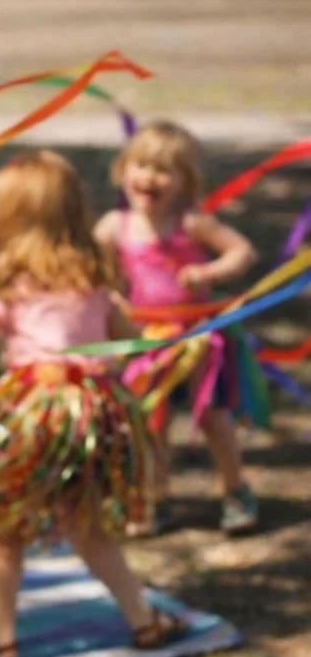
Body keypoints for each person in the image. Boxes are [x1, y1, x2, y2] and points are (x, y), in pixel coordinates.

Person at [0, 150, 188, 657]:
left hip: (35, 417)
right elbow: (129, 345)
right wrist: (165, 345)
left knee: (6, 532)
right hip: (91, 416)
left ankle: (3, 641)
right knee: (88, 528)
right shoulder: (94, 277)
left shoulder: (10, 281)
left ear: (9, 217)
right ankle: (144, 622)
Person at [95, 121, 260, 536]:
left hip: (199, 341)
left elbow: (243, 251)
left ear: (186, 182)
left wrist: (209, 270)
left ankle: (236, 489)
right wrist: (108, 296)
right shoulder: (115, 226)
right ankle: (154, 497)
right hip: (147, 341)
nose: (149, 178)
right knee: (152, 422)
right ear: (123, 169)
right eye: (142, 166)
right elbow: (96, 271)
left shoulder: (192, 222)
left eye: (163, 170)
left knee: (213, 418)